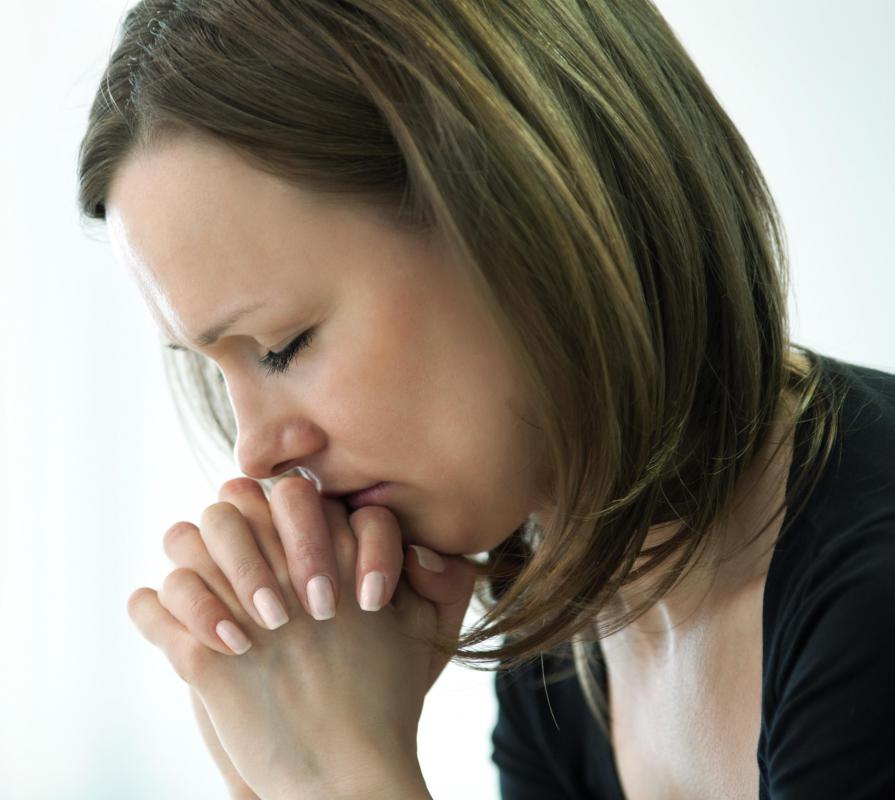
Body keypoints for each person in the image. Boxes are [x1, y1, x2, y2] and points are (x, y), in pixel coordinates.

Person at [77, 1, 895, 798]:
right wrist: (274, 760)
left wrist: (335, 778)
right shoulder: (569, 612)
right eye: (216, 368)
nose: (253, 452)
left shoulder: (871, 595)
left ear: (519, 215)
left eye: (283, 344)